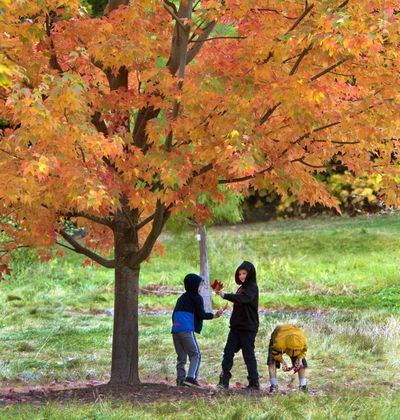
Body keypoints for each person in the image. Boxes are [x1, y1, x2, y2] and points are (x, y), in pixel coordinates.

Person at [171, 273, 223, 387]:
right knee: (196, 355)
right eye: (200, 285)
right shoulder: (196, 298)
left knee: (181, 357)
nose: (201, 288)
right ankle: (191, 378)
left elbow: (174, 314)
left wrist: (176, 325)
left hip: (175, 330)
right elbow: (201, 314)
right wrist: (214, 315)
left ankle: (180, 379)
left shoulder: (181, 298)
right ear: (194, 286)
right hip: (186, 330)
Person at [214, 261, 260, 390]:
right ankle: (224, 381)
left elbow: (243, 299)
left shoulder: (252, 287)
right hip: (236, 327)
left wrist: (225, 295)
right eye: (239, 273)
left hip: (248, 328)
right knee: (228, 353)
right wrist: (223, 295)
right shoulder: (241, 288)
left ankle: (254, 382)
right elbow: (238, 300)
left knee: (248, 355)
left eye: (244, 273)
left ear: (250, 273)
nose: (241, 276)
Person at [267, 324, 308, 393]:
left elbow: (303, 351)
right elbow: (275, 353)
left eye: (296, 350)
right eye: (293, 350)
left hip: (293, 332)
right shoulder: (279, 344)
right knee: (271, 361)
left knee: (302, 363)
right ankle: (274, 385)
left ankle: (303, 386)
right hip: (279, 333)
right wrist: (282, 362)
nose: (294, 352)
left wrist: (300, 360)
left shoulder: (302, 341)